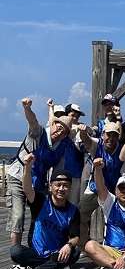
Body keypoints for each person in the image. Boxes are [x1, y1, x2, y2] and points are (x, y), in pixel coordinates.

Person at [6, 98, 72, 247]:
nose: (59, 132)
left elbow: (58, 172)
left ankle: (37, 248)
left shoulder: (62, 146)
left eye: (64, 132)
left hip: (38, 181)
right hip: (18, 176)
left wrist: (57, 188)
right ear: (53, 124)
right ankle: (16, 256)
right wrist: (27, 108)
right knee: (18, 215)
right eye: (58, 127)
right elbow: (32, 121)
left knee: (44, 212)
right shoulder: (39, 132)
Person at [10, 156, 80, 269]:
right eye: (58, 185)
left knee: (75, 253)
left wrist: (68, 245)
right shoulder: (41, 201)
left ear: (70, 188)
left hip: (57, 253)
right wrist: (27, 166)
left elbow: (75, 237)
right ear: (50, 186)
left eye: (65, 185)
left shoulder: (73, 211)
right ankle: (55, 267)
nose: (61, 189)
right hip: (36, 252)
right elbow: (27, 189)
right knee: (16, 251)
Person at [77, 121, 124, 247]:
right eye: (108, 135)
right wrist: (82, 131)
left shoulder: (121, 150)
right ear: (103, 134)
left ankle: (115, 244)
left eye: (115, 135)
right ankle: (83, 244)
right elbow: (85, 139)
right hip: (94, 188)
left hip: (112, 191)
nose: (111, 138)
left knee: (116, 218)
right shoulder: (97, 144)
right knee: (80, 214)